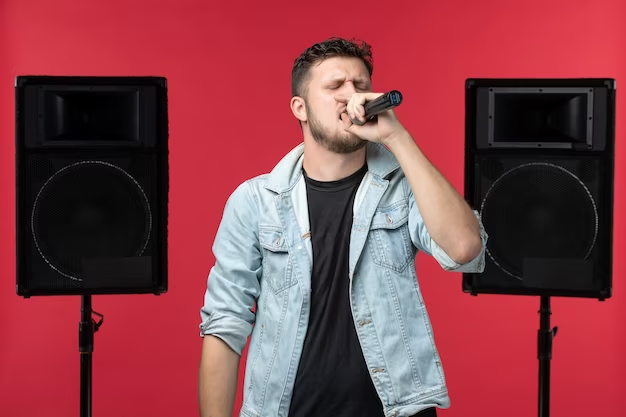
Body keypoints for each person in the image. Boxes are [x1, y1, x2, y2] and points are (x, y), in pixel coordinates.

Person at [198, 37, 488, 417]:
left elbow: (465, 249)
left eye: (361, 85)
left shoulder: (403, 187)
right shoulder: (255, 202)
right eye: (335, 86)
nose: (352, 95)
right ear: (299, 108)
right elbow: (225, 324)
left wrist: (397, 139)